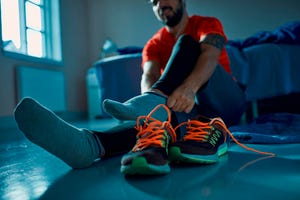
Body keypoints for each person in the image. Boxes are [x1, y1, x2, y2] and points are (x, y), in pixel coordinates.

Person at [14, 0, 272, 176]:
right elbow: (148, 74)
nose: (161, 5)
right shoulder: (153, 44)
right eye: (154, 2)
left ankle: (153, 103)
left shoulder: (206, 23)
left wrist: (189, 88)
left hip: (225, 102)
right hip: (190, 113)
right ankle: (91, 145)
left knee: (188, 45)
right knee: (158, 119)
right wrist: (153, 101)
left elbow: (211, 55)